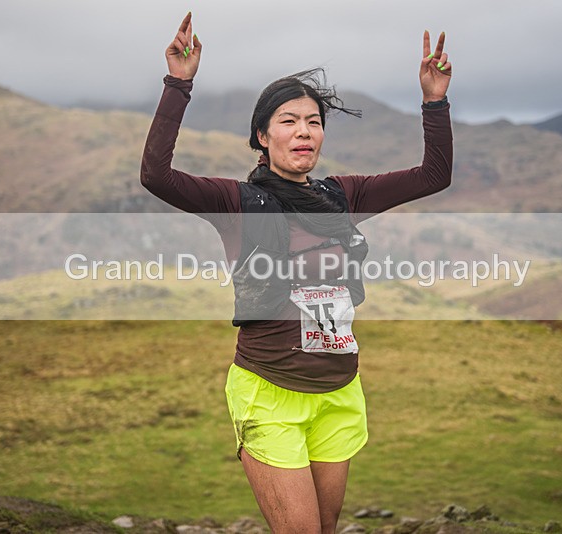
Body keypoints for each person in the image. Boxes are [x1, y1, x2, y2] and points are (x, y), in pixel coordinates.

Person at [140, 12, 453, 534]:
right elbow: (157, 176)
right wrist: (179, 84)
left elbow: (434, 175)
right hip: (269, 391)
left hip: (338, 390)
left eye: (313, 122)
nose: (304, 131)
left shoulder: (342, 196)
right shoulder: (237, 203)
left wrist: (434, 100)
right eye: (288, 121)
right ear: (262, 136)